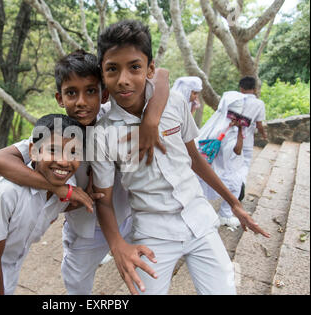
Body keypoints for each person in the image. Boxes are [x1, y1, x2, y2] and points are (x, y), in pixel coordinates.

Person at [90, 19, 270, 295]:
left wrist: (234, 203)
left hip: (199, 220)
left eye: (135, 67)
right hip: (153, 233)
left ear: (150, 69)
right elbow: (102, 197)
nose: (123, 79)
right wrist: (117, 245)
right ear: (103, 75)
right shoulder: (102, 135)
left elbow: (195, 159)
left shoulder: (173, 103)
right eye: (112, 69)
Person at [0, 49, 170, 294]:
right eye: (72, 93)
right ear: (60, 99)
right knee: (78, 287)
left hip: (129, 218)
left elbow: (162, 75)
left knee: (147, 279)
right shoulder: (57, 133)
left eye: (91, 91)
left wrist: (151, 120)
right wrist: (61, 189)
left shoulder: (115, 118)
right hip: (85, 230)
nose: (81, 102)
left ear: (104, 94)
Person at [0, 114, 90, 295]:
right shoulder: (6, 192)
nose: (64, 161)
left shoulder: (68, 185)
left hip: (12, 259)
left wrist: (89, 198)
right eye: (53, 150)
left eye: (73, 153)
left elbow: (60, 206)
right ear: (33, 152)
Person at [197, 88, 264, 228]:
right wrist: (240, 130)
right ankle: (224, 215)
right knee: (235, 185)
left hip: (210, 165)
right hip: (224, 167)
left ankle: (204, 214)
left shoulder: (216, 122)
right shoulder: (232, 127)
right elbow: (237, 150)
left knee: (202, 190)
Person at [238, 76, 268, 184]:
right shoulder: (259, 104)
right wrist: (264, 134)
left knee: (232, 163)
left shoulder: (236, 100)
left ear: (241, 88)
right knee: (245, 163)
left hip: (232, 138)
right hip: (247, 139)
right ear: (254, 89)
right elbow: (259, 124)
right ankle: (241, 184)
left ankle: (232, 186)